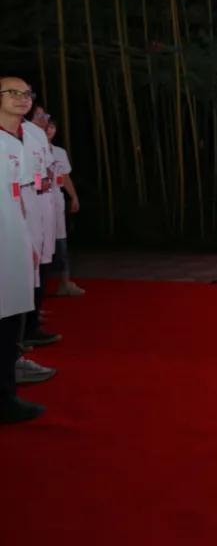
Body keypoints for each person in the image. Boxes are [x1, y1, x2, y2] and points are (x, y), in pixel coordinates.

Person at [0, 77, 48, 422]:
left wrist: (26, 239)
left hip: (13, 239)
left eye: (26, 93)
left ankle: (6, 396)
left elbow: (20, 195)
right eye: (12, 93)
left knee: (9, 319)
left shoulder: (21, 140)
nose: (22, 98)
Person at [19, 104, 60, 348]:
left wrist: (39, 182)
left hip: (39, 202)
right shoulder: (11, 135)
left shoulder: (33, 134)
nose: (44, 119)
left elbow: (40, 169)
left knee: (39, 264)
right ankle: (24, 328)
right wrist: (37, 182)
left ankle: (30, 323)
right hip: (22, 203)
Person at [46, 118, 85, 296]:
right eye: (46, 127)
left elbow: (65, 176)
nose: (49, 130)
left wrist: (73, 196)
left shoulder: (59, 152)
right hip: (37, 199)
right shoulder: (30, 149)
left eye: (52, 126)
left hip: (56, 198)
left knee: (61, 241)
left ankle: (65, 282)